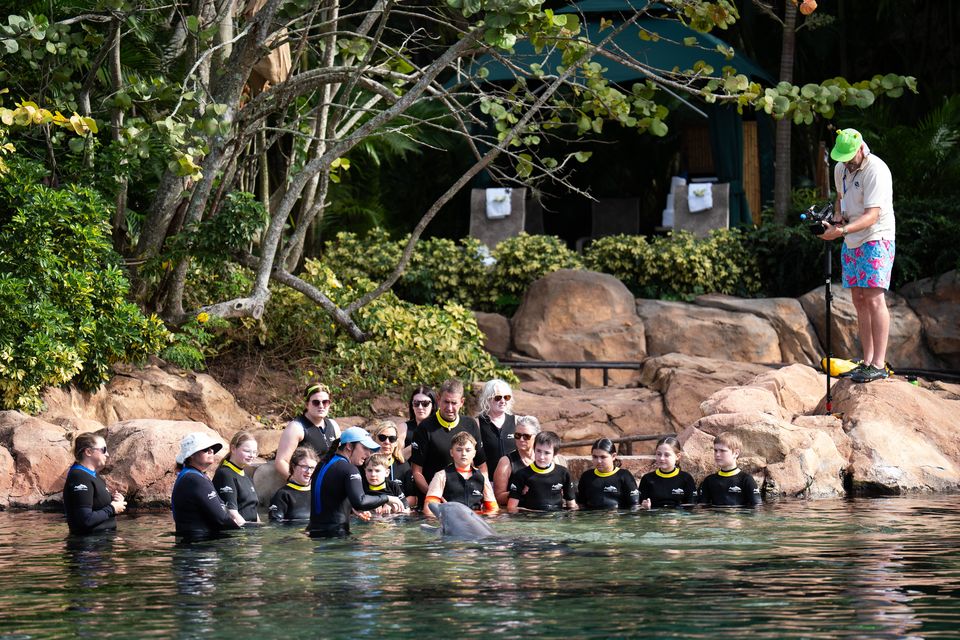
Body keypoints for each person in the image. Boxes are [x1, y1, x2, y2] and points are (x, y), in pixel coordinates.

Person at [821, 128, 896, 383]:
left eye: (850, 156)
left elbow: (872, 215)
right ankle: (866, 361)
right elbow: (840, 198)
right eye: (842, 157)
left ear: (862, 148)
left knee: (874, 298)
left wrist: (840, 230)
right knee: (858, 299)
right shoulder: (840, 168)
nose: (846, 161)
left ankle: (879, 364)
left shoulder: (877, 170)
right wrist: (837, 217)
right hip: (852, 239)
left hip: (877, 237)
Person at [308, 427, 406, 537]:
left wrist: (353, 508)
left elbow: (331, 495)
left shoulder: (323, 464)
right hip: (336, 536)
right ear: (349, 446)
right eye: (364, 448)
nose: (368, 454)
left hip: (314, 532)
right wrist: (387, 498)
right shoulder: (349, 469)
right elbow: (361, 501)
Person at [410, 379, 487, 509]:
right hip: (435, 503)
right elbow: (417, 472)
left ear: (462, 402)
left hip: (467, 503)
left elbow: (482, 466)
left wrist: (483, 495)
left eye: (454, 403)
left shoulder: (470, 424)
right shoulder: (425, 427)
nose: (450, 408)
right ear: (439, 399)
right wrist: (434, 496)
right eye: (446, 402)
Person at [171, 432, 243, 540]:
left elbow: (221, 510)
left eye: (212, 448)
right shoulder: (194, 480)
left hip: (193, 543)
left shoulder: (192, 475)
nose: (211, 451)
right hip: (199, 548)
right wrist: (244, 534)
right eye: (205, 449)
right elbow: (221, 518)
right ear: (191, 455)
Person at [63, 432, 127, 535]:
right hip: (88, 546)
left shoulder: (93, 475)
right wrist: (112, 508)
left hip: (103, 541)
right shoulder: (80, 477)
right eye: (104, 450)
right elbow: (85, 520)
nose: (107, 454)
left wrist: (115, 502)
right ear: (88, 452)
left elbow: (98, 507)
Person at [274, 382, 341, 478]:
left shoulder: (333, 425)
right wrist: (298, 483)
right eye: (316, 402)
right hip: (306, 483)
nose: (321, 406)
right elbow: (281, 462)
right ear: (306, 404)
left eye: (325, 402)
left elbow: (339, 457)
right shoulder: (296, 428)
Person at [423, 432, 498, 516]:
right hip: (452, 520)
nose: (464, 454)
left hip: (475, 521)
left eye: (468, 450)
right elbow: (429, 509)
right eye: (459, 450)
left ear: (474, 453)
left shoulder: (482, 477)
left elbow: (493, 510)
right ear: (451, 452)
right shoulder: (441, 476)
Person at [506, 431, 577, 512]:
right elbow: (511, 507)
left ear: (555, 454)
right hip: (531, 518)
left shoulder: (563, 473)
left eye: (547, 453)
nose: (541, 457)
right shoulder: (521, 475)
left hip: (556, 518)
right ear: (534, 449)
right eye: (538, 451)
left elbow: (571, 505)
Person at [697, 432, 762, 507]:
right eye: (715, 450)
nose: (717, 454)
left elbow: (757, 509)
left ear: (736, 453)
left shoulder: (746, 480)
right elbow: (702, 509)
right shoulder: (709, 480)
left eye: (722, 451)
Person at [576, 438, 639, 509]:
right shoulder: (587, 476)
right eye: (595, 457)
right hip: (592, 517)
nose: (599, 461)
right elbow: (581, 504)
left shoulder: (624, 476)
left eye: (603, 457)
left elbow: (634, 505)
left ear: (613, 456)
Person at [212, 431, 260, 524]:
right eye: (247, 451)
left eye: (254, 452)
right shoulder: (225, 474)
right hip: (239, 535)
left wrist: (260, 530)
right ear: (233, 449)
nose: (252, 455)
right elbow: (232, 513)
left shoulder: (245, 476)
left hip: (251, 533)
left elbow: (253, 510)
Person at [638, 436, 697, 509]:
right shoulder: (647, 479)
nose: (662, 458)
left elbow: (691, 508)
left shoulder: (686, 479)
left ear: (677, 456)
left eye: (667, 455)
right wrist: (645, 507)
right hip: (655, 518)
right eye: (659, 454)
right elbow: (639, 506)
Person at [368, 420, 416, 508]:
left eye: (392, 439)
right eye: (382, 437)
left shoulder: (403, 466)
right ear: (375, 439)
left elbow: (413, 498)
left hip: (397, 514)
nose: (387, 442)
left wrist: (393, 506)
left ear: (396, 442)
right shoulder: (367, 464)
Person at [492, 415, 540, 505]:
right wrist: (521, 492)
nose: (521, 439)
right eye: (517, 435)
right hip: (518, 512)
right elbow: (498, 497)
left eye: (526, 436)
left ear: (536, 437)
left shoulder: (546, 458)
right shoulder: (506, 462)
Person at [476, 378, 517, 478]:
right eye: (498, 397)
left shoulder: (517, 421)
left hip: (515, 482)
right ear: (488, 399)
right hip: (488, 481)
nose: (503, 401)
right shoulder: (477, 423)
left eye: (506, 397)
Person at [268, 446, 318, 522]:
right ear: (293, 467)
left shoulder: (318, 492)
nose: (308, 471)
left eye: (312, 468)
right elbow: (275, 524)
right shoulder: (283, 494)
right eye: (304, 466)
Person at [401, 385, 437, 454]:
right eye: (416, 403)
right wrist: (416, 445)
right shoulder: (403, 428)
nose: (420, 407)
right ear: (412, 406)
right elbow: (397, 458)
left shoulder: (440, 428)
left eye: (425, 403)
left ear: (433, 406)